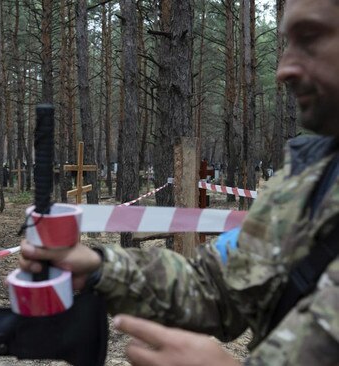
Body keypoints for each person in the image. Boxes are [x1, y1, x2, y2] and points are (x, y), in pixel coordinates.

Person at [20, 0, 339, 364]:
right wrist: (100, 268)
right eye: (287, 44)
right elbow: (216, 289)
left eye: (310, 37)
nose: (284, 69)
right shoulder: (309, 178)